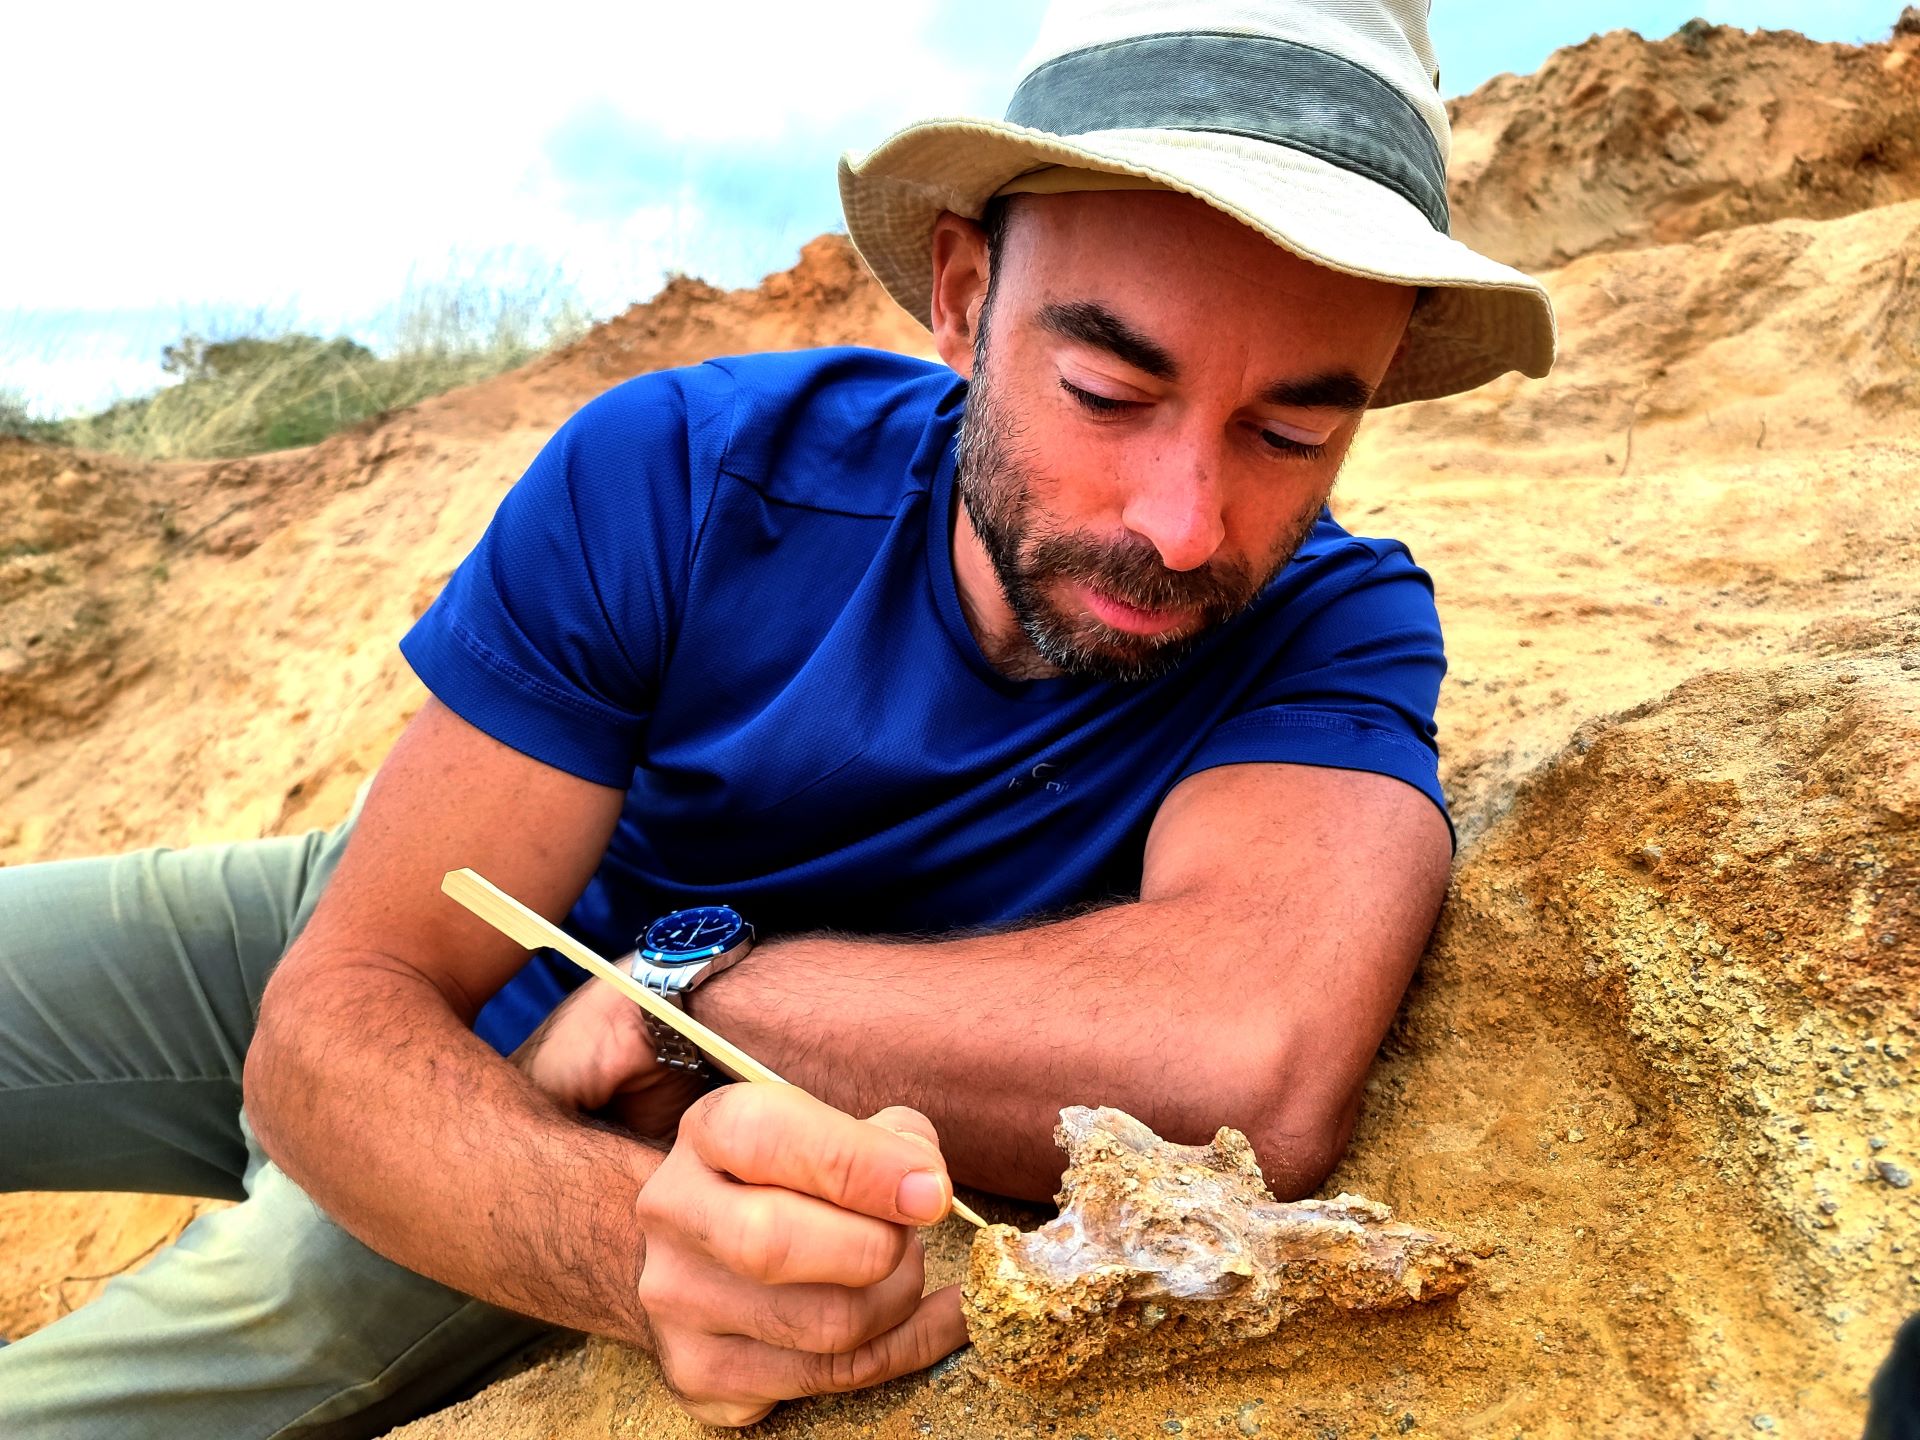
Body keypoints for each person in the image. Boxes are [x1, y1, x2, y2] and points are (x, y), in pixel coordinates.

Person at [0, 1, 1556, 1434]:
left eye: (1293, 427)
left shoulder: (1331, 623)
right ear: (962, 296)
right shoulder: (686, 472)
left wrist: (708, 1014)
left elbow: (1249, 1059)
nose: (1185, 524)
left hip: (626, 1086)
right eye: (1105, 390)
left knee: (191, 1344)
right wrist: (631, 1247)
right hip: (485, 905)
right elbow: (340, 1007)